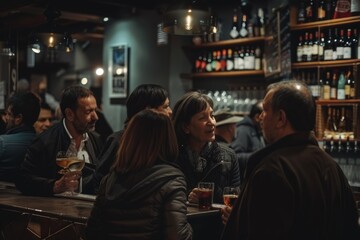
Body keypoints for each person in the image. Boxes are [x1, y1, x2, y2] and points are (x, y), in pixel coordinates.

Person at [221, 80, 360, 239]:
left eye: (265, 111)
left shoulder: (271, 170)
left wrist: (242, 220)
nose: (260, 117)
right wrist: (243, 213)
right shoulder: (331, 166)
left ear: (281, 118)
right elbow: (350, 228)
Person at [86, 109, 192, 240]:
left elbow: (91, 233)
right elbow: (178, 236)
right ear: (168, 139)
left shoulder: (110, 180)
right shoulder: (171, 180)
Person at [15, 85, 103, 196]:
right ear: (70, 114)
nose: (95, 117)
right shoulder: (45, 141)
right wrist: (55, 186)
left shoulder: (96, 140)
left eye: (95, 110)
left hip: (86, 207)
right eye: (88, 112)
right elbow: (22, 179)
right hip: (53, 209)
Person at [92, 84, 172, 193]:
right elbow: (99, 180)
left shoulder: (162, 140)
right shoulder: (119, 140)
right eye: (165, 106)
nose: (170, 111)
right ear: (148, 110)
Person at [172, 91, 241, 204]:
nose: (212, 122)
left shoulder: (229, 156)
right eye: (202, 118)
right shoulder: (173, 157)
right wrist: (188, 196)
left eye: (212, 116)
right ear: (186, 127)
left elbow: (235, 198)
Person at [0, 92, 40, 182]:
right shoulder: (43, 142)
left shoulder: (2, 143)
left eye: (9, 114)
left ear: (18, 118)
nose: (5, 118)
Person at [230, 100, 265, 182]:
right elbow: (235, 156)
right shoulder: (244, 130)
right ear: (257, 117)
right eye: (264, 113)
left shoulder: (256, 131)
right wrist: (260, 156)